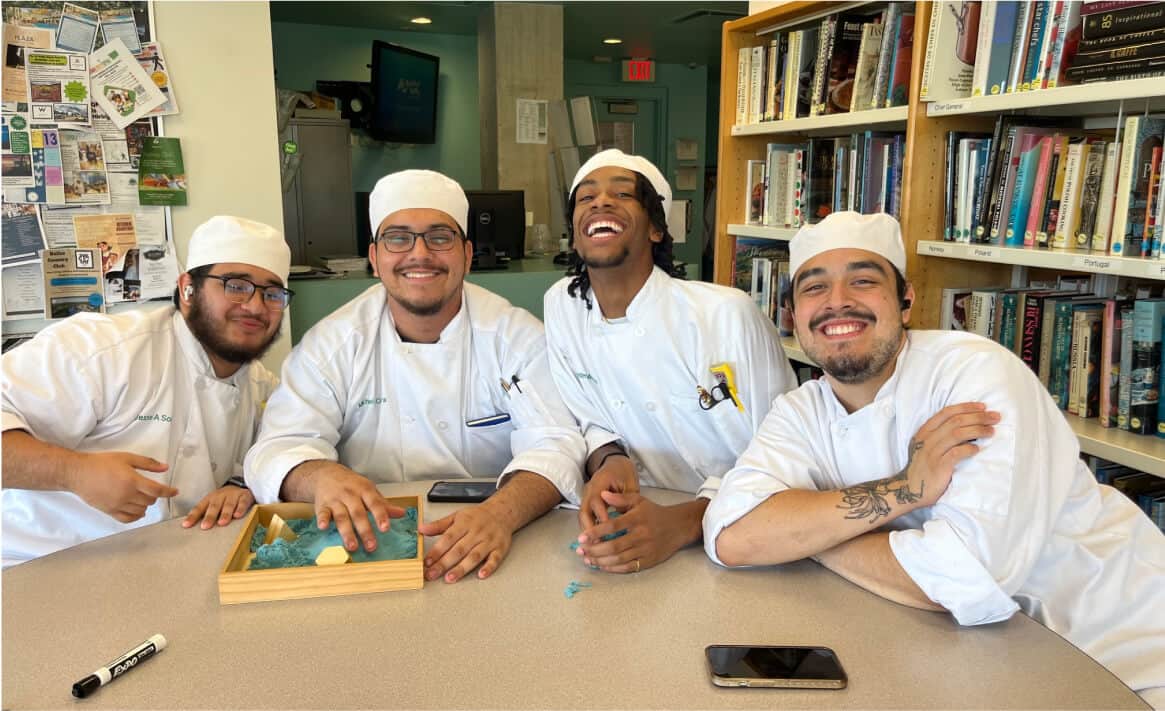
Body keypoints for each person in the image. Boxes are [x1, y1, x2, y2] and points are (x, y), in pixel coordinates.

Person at [704, 211, 1165, 706]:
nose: (838, 302)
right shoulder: (801, 409)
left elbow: (961, 577)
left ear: (905, 302)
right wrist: (905, 489)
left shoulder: (974, 375)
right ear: (793, 316)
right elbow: (731, 535)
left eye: (863, 280)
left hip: (1121, 656)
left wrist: (803, 534)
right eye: (814, 288)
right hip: (986, 660)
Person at [244, 169, 585, 584]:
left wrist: (501, 513)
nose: (419, 254)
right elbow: (274, 449)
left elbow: (558, 442)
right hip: (373, 546)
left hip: (498, 543)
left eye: (439, 237)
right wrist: (319, 477)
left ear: (467, 254)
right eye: (398, 238)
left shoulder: (516, 337)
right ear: (374, 258)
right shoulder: (333, 345)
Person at [543, 149, 796, 574]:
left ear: (657, 229)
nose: (600, 202)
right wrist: (610, 459)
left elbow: (787, 452)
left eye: (622, 193)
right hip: (635, 522)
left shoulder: (723, 314)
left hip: (749, 536)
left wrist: (684, 522)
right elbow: (587, 415)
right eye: (585, 198)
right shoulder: (563, 306)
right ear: (574, 233)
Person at [2, 216, 292, 567]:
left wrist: (238, 489)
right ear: (187, 289)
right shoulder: (106, 349)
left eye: (272, 293)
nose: (256, 306)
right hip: (37, 568)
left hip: (163, 567)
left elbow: (261, 461)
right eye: (235, 285)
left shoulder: (263, 387)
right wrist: (74, 472)